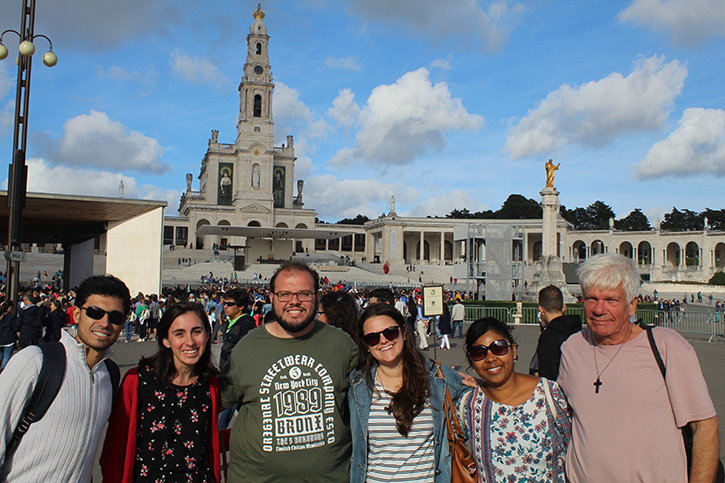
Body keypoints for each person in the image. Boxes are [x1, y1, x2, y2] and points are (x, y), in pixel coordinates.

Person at [558, 254, 720, 482]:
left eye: (611, 300)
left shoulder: (667, 346)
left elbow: (705, 427)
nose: (599, 309)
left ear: (632, 305)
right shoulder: (572, 348)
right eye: (591, 299)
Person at [220, 261, 357, 482]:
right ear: (272, 298)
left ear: (317, 296)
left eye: (304, 293)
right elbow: (216, 401)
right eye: (284, 294)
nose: (294, 301)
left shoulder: (341, 344)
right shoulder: (247, 348)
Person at [0, 275, 131, 481]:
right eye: (95, 312)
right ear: (77, 314)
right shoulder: (35, 361)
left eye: (115, 317)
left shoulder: (111, 374)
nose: (104, 323)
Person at [100, 301, 221, 483]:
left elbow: (207, 439)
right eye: (179, 334)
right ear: (165, 340)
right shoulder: (138, 380)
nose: (190, 342)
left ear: (207, 334)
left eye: (197, 331)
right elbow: (115, 447)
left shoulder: (211, 384)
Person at [349, 303, 468, 482]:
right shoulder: (357, 386)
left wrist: (483, 383)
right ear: (366, 345)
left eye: (390, 332)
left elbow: (477, 405)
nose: (383, 341)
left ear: (404, 332)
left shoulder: (438, 378)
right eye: (373, 338)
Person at [460, 317, 570, 482]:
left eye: (499, 348)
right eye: (479, 352)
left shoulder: (549, 394)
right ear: (471, 361)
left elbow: (575, 450)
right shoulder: (468, 405)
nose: (490, 358)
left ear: (514, 350)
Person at [529, 285, 581, 380]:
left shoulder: (548, 337)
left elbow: (548, 376)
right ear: (564, 307)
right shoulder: (579, 332)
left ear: (541, 309)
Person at [0, 301, 17, 371]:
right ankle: (2, 371)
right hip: (8, 338)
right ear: (10, 307)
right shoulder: (11, 316)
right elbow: (15, 327)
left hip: (0, 338)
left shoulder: (1, 315)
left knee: (0, 355)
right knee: (6, 356)